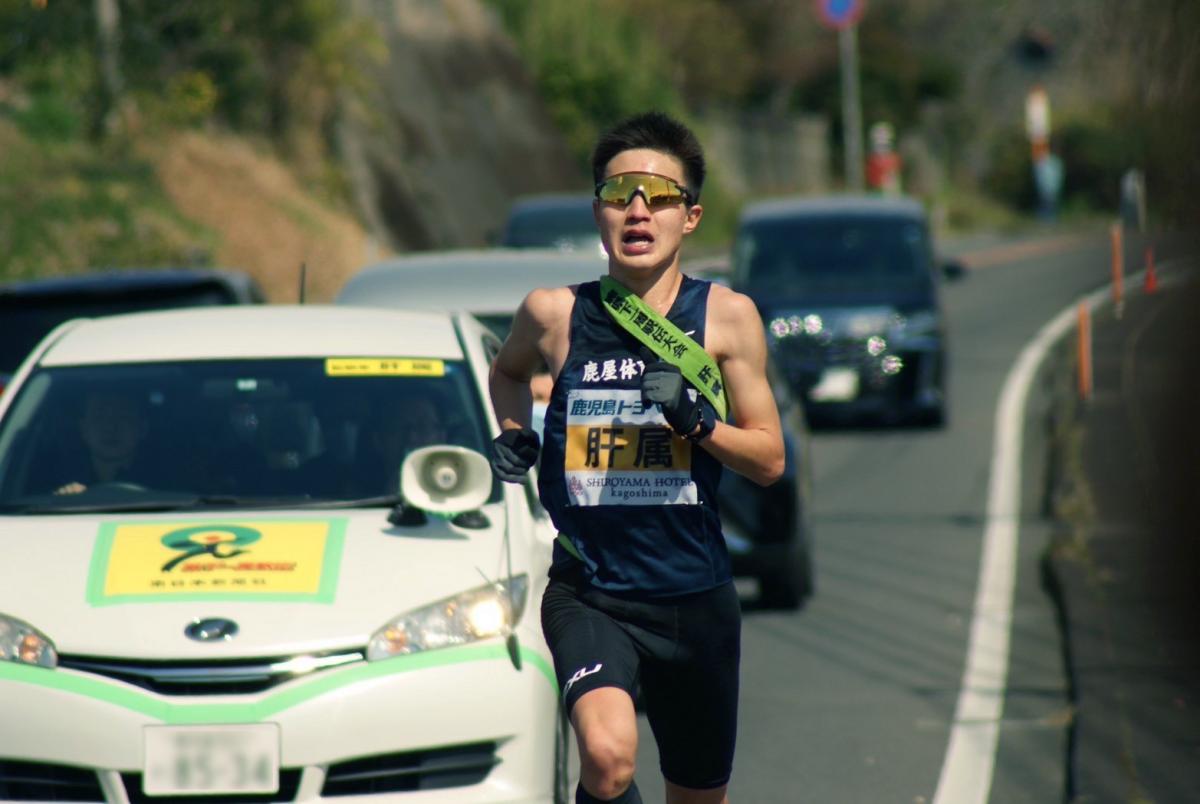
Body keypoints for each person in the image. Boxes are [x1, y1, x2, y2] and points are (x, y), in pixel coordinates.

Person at [488, 111, 784, 804]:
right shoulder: (555, 314)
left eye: (660, 196)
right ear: (598, 212)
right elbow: (506, 372)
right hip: (592, 592)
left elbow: (769, 459)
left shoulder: (727, 317)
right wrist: (510, 432)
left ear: (692, 217)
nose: (639, 210)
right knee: (608, 756)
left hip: (695, 597)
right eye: (621, 194)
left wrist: (698, 422)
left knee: (696, 794)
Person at [53, 388, 151, 495]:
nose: (110, 427)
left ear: (142, 428)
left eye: (123, 416)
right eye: (99, 417)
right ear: (83, 429)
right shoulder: (54, 478)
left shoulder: (166, 486)